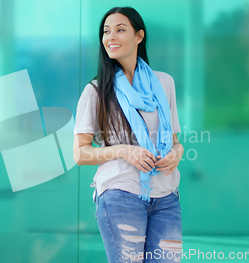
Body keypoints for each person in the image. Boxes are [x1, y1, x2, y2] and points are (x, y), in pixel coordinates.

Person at [73, 6, 184, 263]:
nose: (111, 37)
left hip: (166, 196)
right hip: (120, 194)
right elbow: (80, 153)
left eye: (120, 30)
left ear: (139, 36)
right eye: (106, 31)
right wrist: (124, 150)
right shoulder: (97, 90)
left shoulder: (164, 83)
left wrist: (176, 155)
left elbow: (176, 142)